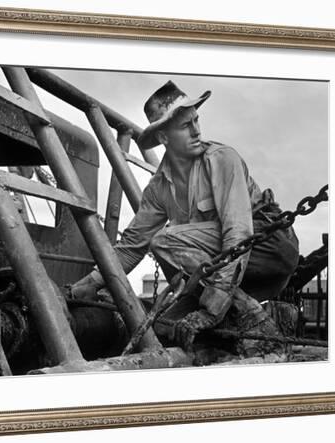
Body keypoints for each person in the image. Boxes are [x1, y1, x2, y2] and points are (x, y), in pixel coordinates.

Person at [70, 80, 299, 355]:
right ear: (164, 138)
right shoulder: (158, 189)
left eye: (196, 120)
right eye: (185, 125)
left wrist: (213, 309)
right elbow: (131, 247)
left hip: (269, 247)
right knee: (164, 328)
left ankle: (252, 317)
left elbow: (238, 234)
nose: (197, 130)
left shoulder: (222, 159)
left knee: (165, 241)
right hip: (225, 272)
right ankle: (254, 324)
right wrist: (87, 285)